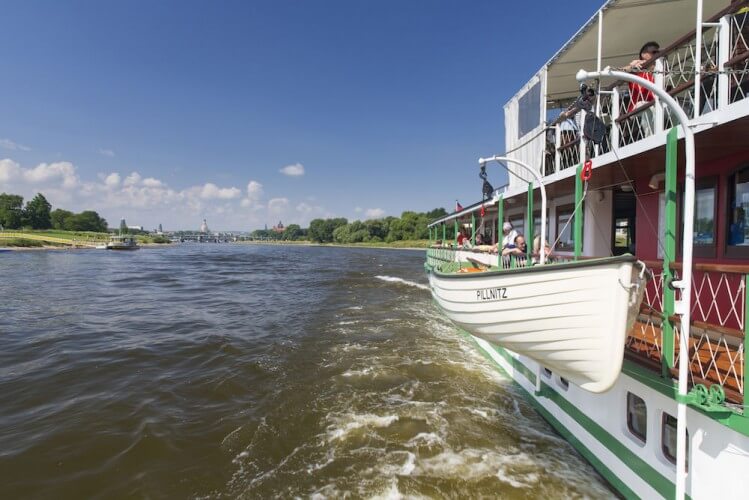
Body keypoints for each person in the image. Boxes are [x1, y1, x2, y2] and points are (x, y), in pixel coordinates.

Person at [624, 41, 660, 137]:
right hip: (637, 111)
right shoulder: (637, 69)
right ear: (643, 54)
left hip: (656, 107)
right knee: (645, 105)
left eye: (657, 52)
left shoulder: (659, 69)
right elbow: (620, 71)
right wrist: (632, 66)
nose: (656, 55)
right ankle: (651, 141)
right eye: (653, 52)